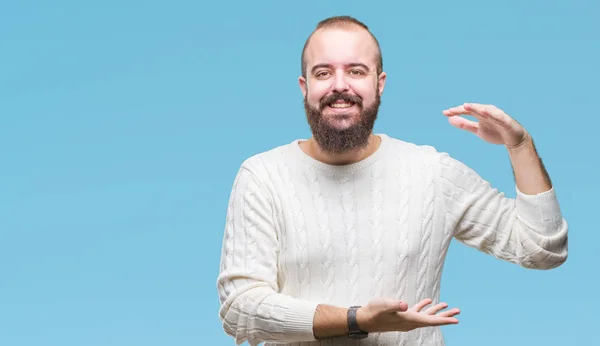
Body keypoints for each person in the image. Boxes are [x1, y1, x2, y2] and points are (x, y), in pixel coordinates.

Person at [216, 15, 568, 346]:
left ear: (379, 84)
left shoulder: (432, 172)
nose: (340, 85)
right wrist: (357, 319)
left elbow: (542, 249)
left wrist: (519, 145)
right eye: (324, 73)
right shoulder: (263, 175)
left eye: (356, 71)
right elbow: (241, 308)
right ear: (304, 87)